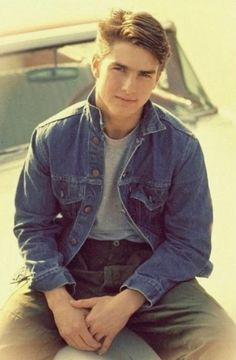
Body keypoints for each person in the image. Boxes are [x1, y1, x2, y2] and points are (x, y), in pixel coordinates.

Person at [0, 8, 235, 360]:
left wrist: (127, 301)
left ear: (157, 79)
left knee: (222, 341)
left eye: (144, 74)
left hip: (153, 264)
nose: (129, 87)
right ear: (96, 66)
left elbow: (190, 243)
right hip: (70, 261)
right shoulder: (51, 137)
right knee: (9, 347)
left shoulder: (181, 145)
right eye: (119, 69)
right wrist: (59, 301)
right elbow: (33, 226)